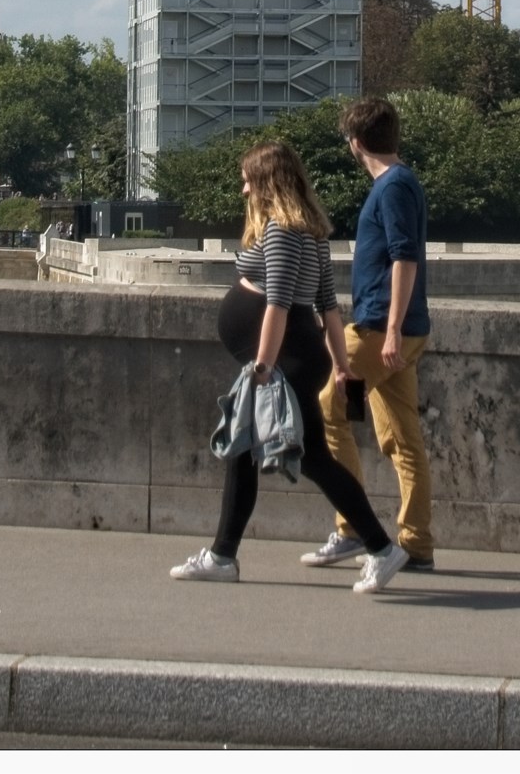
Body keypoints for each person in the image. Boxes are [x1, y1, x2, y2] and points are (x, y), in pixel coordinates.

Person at [169, 143, 408, 594]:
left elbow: (278, 304)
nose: (243, 189)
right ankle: (223, 554)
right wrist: (339, 366)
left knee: (311, 457)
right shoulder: (312, 232)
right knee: (252, 451)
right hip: (299, 354)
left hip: (283, 358)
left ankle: (380, 546)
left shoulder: (281, 231)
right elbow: (328, 308)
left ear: (267, 183)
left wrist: (261, 365)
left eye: (248, 180)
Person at [304, 96, 437, 574]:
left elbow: (404, 257)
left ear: (356, 144)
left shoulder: (393, 187)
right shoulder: (401, 183)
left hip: (382, 328)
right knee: (402, 437)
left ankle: (353, 527)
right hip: (393, 329)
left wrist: (393, 331)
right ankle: (416, 542)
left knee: (326, 408)